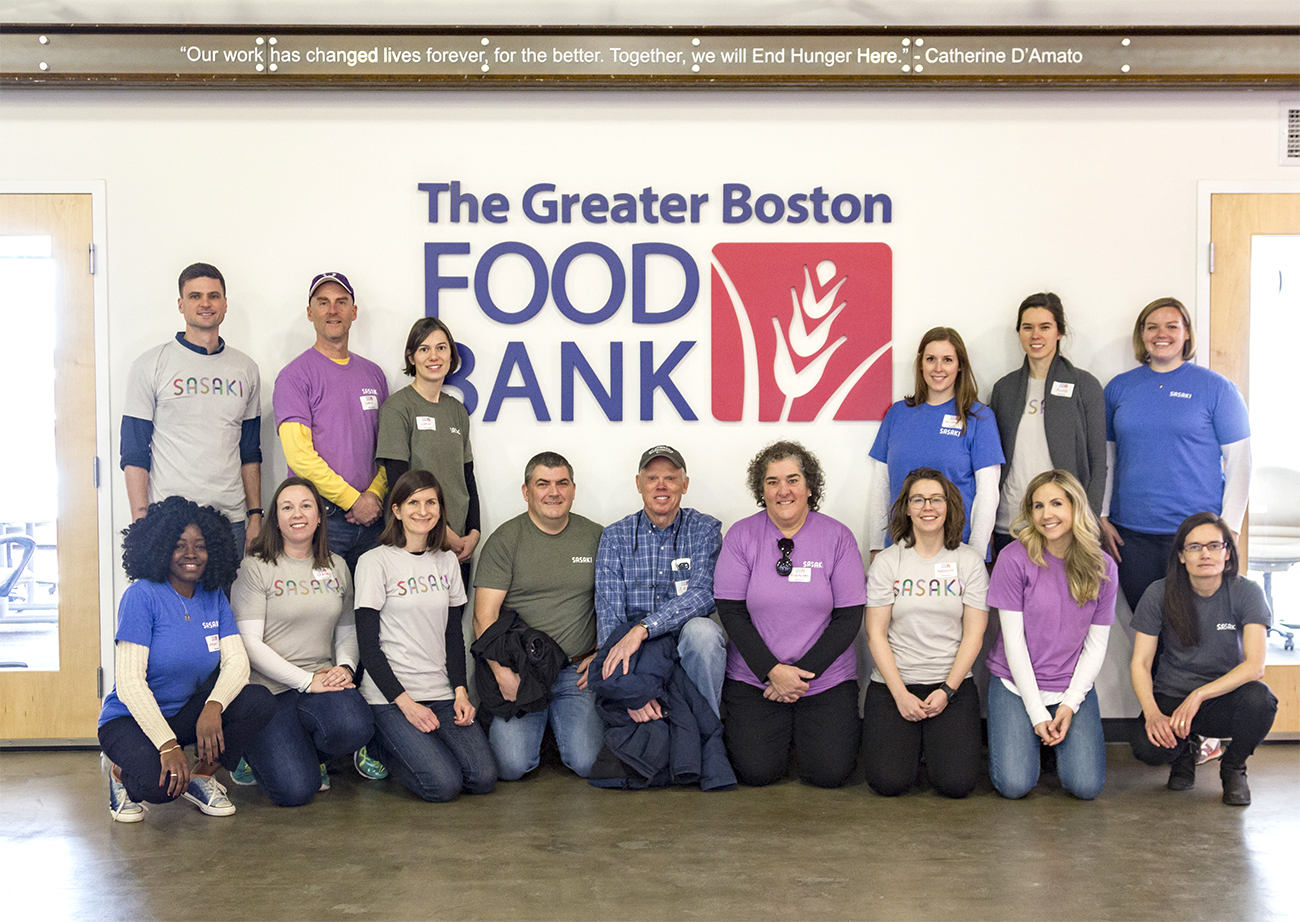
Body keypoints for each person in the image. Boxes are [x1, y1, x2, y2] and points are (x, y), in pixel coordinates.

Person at [97, 496, 275, 822]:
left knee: (257, 700)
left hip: (181, 714)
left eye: (200, 545)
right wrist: (167, 746)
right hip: (128, 720)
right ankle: (120, 773)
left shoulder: (213, 596)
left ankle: (201, 777)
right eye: (179, 545)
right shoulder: (142, 595)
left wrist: (214, 705)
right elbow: (130, 683)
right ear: (161, 548)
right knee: (160, 789)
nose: (191, 554)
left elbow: (237, 662)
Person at [715, 440, 865, 788]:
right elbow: (731, 611)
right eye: (772, 482)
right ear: (761, 490)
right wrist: (772, 672)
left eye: (793, 479)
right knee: (756, 773)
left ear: (810, 487)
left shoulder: (838, 537)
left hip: (824, 679)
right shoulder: (741, 536)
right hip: (756, 680)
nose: (784, 490)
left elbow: (849, 618)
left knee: (830, 775)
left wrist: (798, 678)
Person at [353, 470, 497, 802]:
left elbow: (453, 635)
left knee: (483, 777)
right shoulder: (374, 562)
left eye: (430, 502)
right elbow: (368, 647)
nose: (423, 510)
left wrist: (461, 693)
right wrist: (406, 704)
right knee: (443, 785)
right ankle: (380, 744)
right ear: (397, 510)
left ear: (440, 509)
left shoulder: (447, 561)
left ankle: (419, 744)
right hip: (391, 698)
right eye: (413, 502)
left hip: (441, 692)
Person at [1101, 297, 1251, 612]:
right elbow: (1107, 459)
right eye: (1152, 326)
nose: (1161, 334)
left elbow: (1241, 463)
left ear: (1186, 334)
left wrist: (1230, 529)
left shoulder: (1217, 389)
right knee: (1145, 627)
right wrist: (1101, 515)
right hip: (1131, 533)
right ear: (1141, 334)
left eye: (1172, 326)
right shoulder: (1118, 388)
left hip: (1196, 535)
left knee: (1193, 629)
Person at [230, 477, 374, 806]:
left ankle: (305, 750)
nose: (298, 514)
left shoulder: (337, 566)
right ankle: (253, 751)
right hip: (269, 692)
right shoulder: (256, 567)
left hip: (321, 680)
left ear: (320, 515)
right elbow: (249, 644)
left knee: (356, 727)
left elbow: (346, 628)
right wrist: (306, 682)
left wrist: (345, 668)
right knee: (296, 791)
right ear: (276, 518)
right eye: (287, 507)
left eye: (306, 506)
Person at [986, 470, 1117, 800]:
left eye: (1056, 503)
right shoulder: (1014, 558)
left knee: (1085, 787)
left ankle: (1047, 743)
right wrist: (1036, 711)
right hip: (1015, 685)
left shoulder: (1103, 567)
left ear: (1075, 507)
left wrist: (1070, 704)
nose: (1047, 514)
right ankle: (1031, 739)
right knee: (1015, 786)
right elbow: (1013, 643)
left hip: (1069, 686)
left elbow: (1096, 644)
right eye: (1038, 506)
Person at [472, 451, 605, 780]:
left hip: (577, 670)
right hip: (521, 671)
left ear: (573, 489)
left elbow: (618, 602)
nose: (553, 492)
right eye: (542, 483)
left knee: (588, 763)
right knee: (511, 766)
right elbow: (483, 617)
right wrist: (502, 674)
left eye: (562, 483)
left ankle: (555, 728)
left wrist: (602, 652)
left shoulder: (597, 537)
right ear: (526, 491)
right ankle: (540, 728)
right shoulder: (505, 540)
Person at [1129, 513, 1277, 806]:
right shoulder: (1159, 592)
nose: (1205, 554)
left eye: (1213, 545)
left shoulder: (1246, 591)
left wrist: (1199, 694)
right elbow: (1141, 663)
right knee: (1147, 748)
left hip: (1223, 697)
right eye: (1194, 547)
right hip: (1172, 696)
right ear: (1182, 556)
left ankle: (1234, 767)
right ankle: (1183, 755)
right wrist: (1153, 713)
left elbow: (1255, 665)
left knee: (1261, 701)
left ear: (1227, 552)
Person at [121, 262, 263, 555]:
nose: (205, 303)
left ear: (225, 304)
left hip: (230, 518)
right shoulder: (150, 364)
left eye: (213, 296)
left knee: (223, 602)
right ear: (181, 304)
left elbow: (250, 450)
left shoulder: (246, 369)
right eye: (195, 296)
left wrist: (255, 515)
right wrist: (140, 519)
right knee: (172, 601)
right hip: (170, 517)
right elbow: (134, 449)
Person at [863, 468, 988, 797]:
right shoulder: (888, 562)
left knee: (956, 785)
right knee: (888, 783)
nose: (927, 507)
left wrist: (947, 689)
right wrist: (901, 695)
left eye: (936, 499)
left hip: (951, 685)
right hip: (894, 686)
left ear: (949, 506)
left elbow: (974, 634)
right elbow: (875, 634)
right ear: (906, 507)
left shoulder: (969, 562)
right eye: (918, 499)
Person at [594, 445, 725, 717]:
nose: (661, 486)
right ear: (639, 484)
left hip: (681, 640)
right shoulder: (615, 536)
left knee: (704, 633)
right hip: (637, 649)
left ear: (685, 485)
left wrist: (644, 628)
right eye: (652, 478)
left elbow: (703, 594)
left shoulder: (705, 529)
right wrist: (628, 690)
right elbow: (610, 616)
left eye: (670, 478)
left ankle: (706, 728)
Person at [274, 272, 389, 576]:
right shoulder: (294, 376)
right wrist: (353, 500)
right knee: (321, 613)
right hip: (322, 521)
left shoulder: (374, 375)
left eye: (341, 302)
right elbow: (299, 457)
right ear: (310, 313)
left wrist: (374, 497)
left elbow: (388, 448)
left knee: (369, 616)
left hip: (374, 521)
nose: (333, 310)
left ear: (353, 311)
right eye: (323, 303)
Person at [987, 293, 1106, 559]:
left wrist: (1089, 522)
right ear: (1019, 333)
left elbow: (1098, 463)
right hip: (1011, 524)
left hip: (1063, 527)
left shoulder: (1085, 386)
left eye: (1045, 327)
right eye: (1027, 327)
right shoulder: (1003, 390)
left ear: (1060, 332)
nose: (1035, 335)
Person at [869, 327, 1003, 559]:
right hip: (900, 549)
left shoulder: (979, 417)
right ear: (921, 364)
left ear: (960, 365)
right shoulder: (897, 414)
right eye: (931, 359)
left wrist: (977, 555)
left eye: (947, 360)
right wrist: (876, 548)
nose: (938, 368)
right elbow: (882, 487)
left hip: (958, 550)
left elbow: (988, 494)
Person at [376, 317, 481, 590]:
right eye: (424, 349)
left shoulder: (457, 410)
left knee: (452, 628)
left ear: (451, 355)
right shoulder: (398, 408)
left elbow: (466, 476)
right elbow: (399, 481)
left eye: (441, 348)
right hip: (417, 540)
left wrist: (473, 533)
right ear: (411, 357)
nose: (433, 356)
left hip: (458, 545)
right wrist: (440, 532)